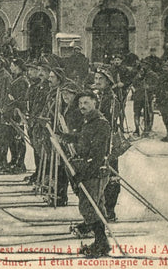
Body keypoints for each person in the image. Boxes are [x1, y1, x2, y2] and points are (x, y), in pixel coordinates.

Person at [66, 90, 113, 258]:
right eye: (80, 104)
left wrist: (84, 173)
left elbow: (98, 154)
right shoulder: (89, 122)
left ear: (95, 102)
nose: (82, 107)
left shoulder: (101, 123)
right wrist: (70, 137)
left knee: (88, 206)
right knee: (96, 206)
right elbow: (84, 138)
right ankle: (101, 243)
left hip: (95, 171)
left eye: (86, 103)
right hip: (90, 170)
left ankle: (101, 243)